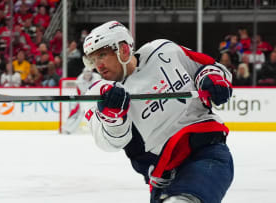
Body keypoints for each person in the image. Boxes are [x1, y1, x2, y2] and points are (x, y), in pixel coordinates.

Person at [82, 21, 234, 203]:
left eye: (102, 54)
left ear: (123, 49)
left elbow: (211, 67)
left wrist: (211, 78)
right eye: (93, 59)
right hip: (164, 177)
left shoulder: (164, 50)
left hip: (208, 153)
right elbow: (108, 143)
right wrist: (113, 117)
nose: (97, 64)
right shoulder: (99, 93)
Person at [61, 65, 101, 134]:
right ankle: (67, 128)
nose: (87, 75)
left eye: (89, 73)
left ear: (92, 72)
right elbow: (79, 91)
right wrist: (81, 102)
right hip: (83, 97)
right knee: (78, 112)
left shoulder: (97, 78)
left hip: (95, 97)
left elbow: (99, 89)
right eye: (86, 73)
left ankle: (99, 130)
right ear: (83, 73)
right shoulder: (79, 79)